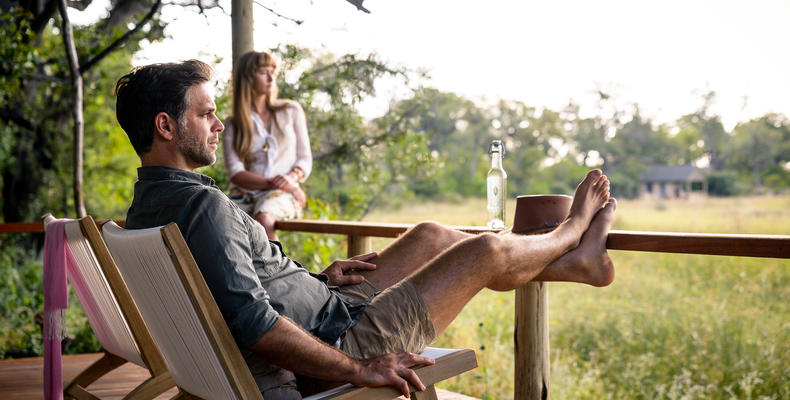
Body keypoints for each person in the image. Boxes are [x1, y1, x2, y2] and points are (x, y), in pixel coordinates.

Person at [114, 60, 617, 399]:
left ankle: (570, 262)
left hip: (327, 308)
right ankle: (570, 234)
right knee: (484, 249)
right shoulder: (203, 206)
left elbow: (235, 289)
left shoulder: (148, 207)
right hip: (338, 347)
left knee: (431, 235)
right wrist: (360, 371)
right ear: (166, 127)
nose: (219, 125)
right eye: (205, 115)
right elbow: (254, 324)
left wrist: (316, 281)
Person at [223, 50, 312, 240]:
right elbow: (236, 173)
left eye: (273, 71)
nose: (271, 77)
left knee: (263, 218)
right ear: (247, 77)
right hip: (245, 194)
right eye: (263, 72)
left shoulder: (290, 110)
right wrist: (279, 183)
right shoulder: (233, 123)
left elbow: (304, 159)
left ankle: (276, 270)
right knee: (217, 222)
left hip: (282, 194)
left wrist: (291, 180)